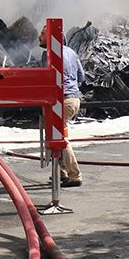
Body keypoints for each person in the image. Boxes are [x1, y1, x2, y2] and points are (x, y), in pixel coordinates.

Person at [40, 27, 86, 187]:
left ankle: (75, 175)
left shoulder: (48, 55)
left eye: (42, 34)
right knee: (57, 135)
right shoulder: (71, 52)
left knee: (59, 138)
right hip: (73, 99)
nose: (39, 37)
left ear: (52, 37)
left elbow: (44, 79)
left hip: (62, 101)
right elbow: (82, 76)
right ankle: (62, 173)